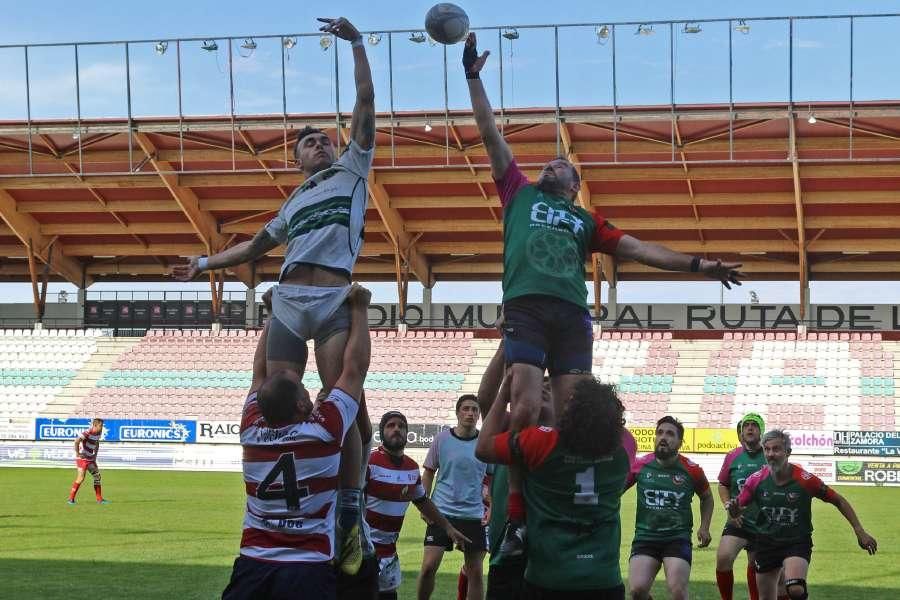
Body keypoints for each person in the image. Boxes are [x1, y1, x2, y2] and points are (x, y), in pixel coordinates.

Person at [461, 31, 745, 556]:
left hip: (572, 316)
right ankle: (519, 519)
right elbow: (489, 134)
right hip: (526, 307)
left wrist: (699, 265)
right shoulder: (517, 193)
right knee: (523, 407)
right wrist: (474, 79)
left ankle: (573, 514)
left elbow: (639, 248)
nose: (549, 167)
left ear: (574, 185)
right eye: (546, 165)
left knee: (575, 423)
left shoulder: (586, 219)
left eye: (560, 167)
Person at [173, 15, 376, 568]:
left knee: (343, 398)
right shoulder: (291, 206)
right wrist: (202, 262)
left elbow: (364, 98)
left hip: (334, 298)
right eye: (308, 144)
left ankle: (349, 513)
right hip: (287, 301)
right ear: (297, 160)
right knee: (274, 393)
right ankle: (284, 514)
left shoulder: (354, 169)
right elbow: (252, 248)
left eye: (323, 140)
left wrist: (357, 43)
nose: (318, 145)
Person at [221, 284, 372, 600]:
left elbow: (259, 373)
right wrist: (359, 310)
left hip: (253, 563)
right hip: (308, 567)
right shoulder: (324, 432)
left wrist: (273, 316)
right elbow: (354, 370)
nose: (306, 387)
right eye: (303, 388)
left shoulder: (251, 432)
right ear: (304, 406)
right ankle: (349, 512)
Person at [476, 374, 637, 600]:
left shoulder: (541, 444)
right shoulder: (624, 447)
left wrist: (505, 395)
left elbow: (483, 448)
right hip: (604, 579)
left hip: (549, 578)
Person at [727, 429, 877, 600]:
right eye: (767, 449)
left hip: (796, 542)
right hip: (765, 542)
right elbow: (739, 507)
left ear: (788, 452)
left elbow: (839, 501)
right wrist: (734, 510)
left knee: (795, 589)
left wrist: (859, 531)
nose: (771, 454)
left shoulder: (805, 480)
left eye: (776, 449)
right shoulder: (755, 480)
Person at [361, 410, 470, 600]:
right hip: (363, 551)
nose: (397, 429)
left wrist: (448, 528)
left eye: (401, 426)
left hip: (389, 553)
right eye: (390, 425)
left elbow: (422, 501)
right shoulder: (370, 462)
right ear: (381, 432)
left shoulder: (411, 467)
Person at [625, 416, 714, 600]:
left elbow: (707, 497)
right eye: (660, 433)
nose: (663, 437)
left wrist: (704, 527)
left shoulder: (692, 470)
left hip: (677, 538)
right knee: (637, 591)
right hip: (646, 537)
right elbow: (616, 490)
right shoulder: (640, 465)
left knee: (677, 590)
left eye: (670, 434)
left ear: (680, 442)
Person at [417, 395, 491, 600]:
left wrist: (491, 506)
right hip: (441, 513)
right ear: (458, 412)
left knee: (475, 573)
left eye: (475, 410)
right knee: (428, 568)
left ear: (479, 415)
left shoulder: (485, 441)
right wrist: (425, 506)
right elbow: (429, 473)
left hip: (473, 515)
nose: (470, 413)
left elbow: (492, 479)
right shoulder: (442, 439)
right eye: (466, 409)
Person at [716, 413, 767, 600]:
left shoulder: (769, 454)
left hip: (763, 522)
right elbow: (723, 484)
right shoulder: (732, 456)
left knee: (755, 564)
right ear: (741, 431)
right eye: (747, 425)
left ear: (761, 431)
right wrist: (728, 504)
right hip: (738, 521)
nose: (750, 428)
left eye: (755, 425)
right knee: (723, 559)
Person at [67, 417, 108, 505]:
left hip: (90, 458)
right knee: (81, 478)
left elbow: (96, 443)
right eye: (100, 426)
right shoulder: (87, 432)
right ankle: (71, 499)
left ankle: (99, 499)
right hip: (83, 458)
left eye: (102, 426)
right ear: (95, 425)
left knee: (97, 476)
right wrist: (77, 453)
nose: (102, 427)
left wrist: (95, 455)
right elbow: (77, 441)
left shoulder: (99, 433)